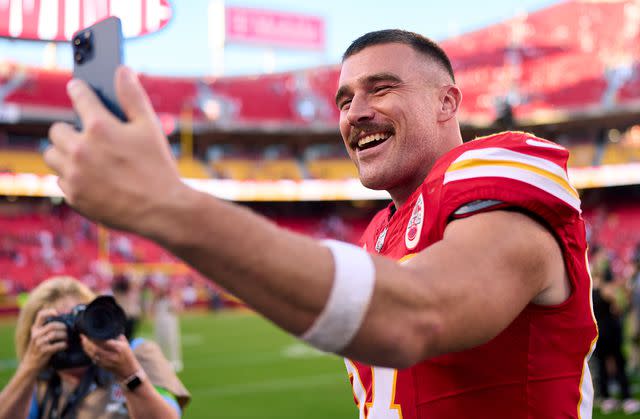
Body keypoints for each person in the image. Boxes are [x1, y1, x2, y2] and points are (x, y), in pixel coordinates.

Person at [44, 29, 597, 418]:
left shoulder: (500, 166)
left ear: (447, 102)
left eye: (381, 88)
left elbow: (419, 315)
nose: (355, 112)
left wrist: (165, 205)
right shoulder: (379, 231)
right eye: (344, 99)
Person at [0, 276, 190, 419]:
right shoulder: (40, 381)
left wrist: (129, 374)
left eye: (79, 321)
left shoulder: (136, 353)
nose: (73, 335)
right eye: (59, 325)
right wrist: (29, 368)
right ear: (34, 335)